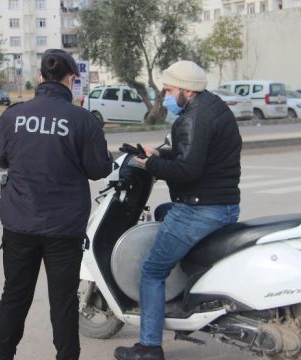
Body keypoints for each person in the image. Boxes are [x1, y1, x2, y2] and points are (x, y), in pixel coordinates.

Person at [0, 49, 113, 360]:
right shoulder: (82, 120)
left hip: (19, 224)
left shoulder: (14, 116)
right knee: (63, 302)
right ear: (70, 79)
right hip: (64, 228)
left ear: (40, 78)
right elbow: (100, 169)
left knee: (15, 295)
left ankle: (3, 356)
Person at [114, 60, 242, 360]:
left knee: (151, 270)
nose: (167, 96)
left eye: (170, 90)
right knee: (161, 212)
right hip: (222, 205)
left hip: (200, 209)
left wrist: (150, 164)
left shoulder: (193, 118)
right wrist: (159, 152)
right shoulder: (214, 107)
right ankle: (181, 291)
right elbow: (193, 153)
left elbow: (187, 170)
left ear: (186, 90)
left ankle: (148, 347)